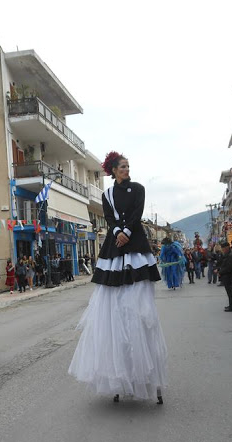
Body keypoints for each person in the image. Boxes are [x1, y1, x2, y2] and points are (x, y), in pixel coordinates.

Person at [69, 151, 167, 404]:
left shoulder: (138, 188)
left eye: (128, 166)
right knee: (113, 310)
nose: (127, 169)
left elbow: (136, 213)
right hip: (114, 249)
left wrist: (125, 231)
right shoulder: (108, 194)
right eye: (123, 166)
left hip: (135, 246)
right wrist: (115, 231)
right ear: (113, 170)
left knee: (139, 310)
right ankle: (118, 376)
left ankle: (146, 375)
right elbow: (109, 215)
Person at [217, 241, 232, 312]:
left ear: (227, 248)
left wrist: (220, 272)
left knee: (230, 292)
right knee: (229, 292)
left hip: (228, 276)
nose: (222, 250)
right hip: (226, 276)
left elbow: (229, 268)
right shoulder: (227, 255)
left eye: (223, 248)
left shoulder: (230, 255)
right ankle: (231, 305)